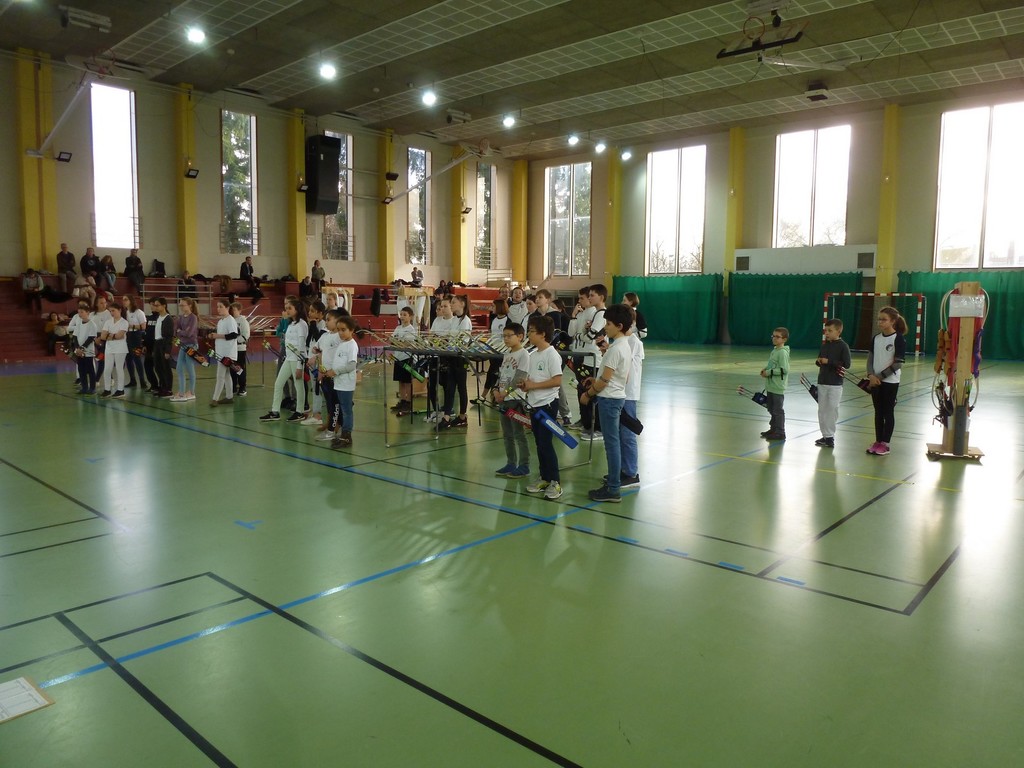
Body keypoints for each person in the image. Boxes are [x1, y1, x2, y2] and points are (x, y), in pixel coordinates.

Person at [580, 304, 632, 503]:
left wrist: (588, 394)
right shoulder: (623, 346)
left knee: (611, 444)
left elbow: (605, 381)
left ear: (619, 326)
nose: (605, 327)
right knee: (613, 442)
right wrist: (598, 380)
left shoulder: (615, 349)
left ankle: (613, 489)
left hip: (609, 399)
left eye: (608, 324)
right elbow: (620, 377)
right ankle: (612, 483)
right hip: (615, 396)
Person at [520, 315, 564, 500]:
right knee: (539, 443)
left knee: (546, 443)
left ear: (543, 334)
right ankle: (544, 478)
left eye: (531, 331)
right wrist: (526, 385)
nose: (528, 335)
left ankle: (555, 482)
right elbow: (532, 379)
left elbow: (557, 381)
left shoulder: (552, 354)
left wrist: (534, 386)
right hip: (534, 404)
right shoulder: (532, 354)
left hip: (548, 405)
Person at [865, 306, 907, 456]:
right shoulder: (876, 338)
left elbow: (898, 363)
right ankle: (878, 441)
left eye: (884, 319)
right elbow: (870, 359)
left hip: (890, 382)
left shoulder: (898, 338)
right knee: (878, 412)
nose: (880, 322)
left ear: (893, 321)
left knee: (888, 412)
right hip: (875, 382)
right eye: (879, 319)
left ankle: (885, 444)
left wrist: (879, 377)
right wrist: (870, 375)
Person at [259, 297, 308, 422]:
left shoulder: (302, 324)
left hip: (297, 360)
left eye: (290, 308)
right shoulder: (291, 324)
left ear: (297, 309)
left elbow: (302, 347)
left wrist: (299, 366)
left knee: (298, 385)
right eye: (286, 308)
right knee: (278, 383)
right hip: (288, 359)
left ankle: (300, 411)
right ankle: (275, 412)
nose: (287, 311)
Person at [493, 322, 531, 479]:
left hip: (515, 400)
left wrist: (505, 392)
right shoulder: (507, 354)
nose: (506, 339)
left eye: (509, 336)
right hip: (504, 399)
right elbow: (502, 375)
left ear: (520, 336)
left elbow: (519, 378)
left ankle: (524, 465)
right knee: (507, 434)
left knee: (518, 434)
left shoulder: (524, 354)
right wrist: (496, 390)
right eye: (504, 336)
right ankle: (510, 463)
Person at [814, 318, 852, 448]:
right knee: (822, 410)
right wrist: (819, 361)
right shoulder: (825, 345)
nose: (827, 333)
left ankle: (830, 436)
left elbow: (847, 364)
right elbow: (819, 360)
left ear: (838, 331)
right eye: (826, 330)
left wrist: (829, 362)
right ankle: (825, 435)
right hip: (822, 381)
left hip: (835, 384)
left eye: (830, 330)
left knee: (832, 409)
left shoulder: (843, 346)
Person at [619, 307, 644, 489]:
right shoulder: (622, 341)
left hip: (628, 394)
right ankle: (623, 469)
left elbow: (625, 369)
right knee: (620, 433)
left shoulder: (634, 342)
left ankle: (631, 473)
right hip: (619, 392)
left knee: (627, 434)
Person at [440, 295, 473, 428]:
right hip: (451, 357)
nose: (451, 305)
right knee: (450, 387)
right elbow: (450, 338)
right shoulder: (454, 320)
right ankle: (446, 417)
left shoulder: (466, 321)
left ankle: (462, 417)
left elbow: (462, 341)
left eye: (453, 302)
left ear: (462, 304)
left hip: (460, 358)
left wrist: (452, 345)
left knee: (461, 388)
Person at [328, 316, 360, 448]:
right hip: (339, 383)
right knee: (342, 408)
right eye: (338, 330)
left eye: (343, 330)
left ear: (351, 330)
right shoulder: (342, 343)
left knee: (347, 410)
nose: (340, 333)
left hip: (346, 384)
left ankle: (347, 436)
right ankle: (343, 434)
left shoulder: (352, 345)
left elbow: (351, 365)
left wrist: (336, 371)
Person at [316, 310, 343, 440]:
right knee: (329, 402)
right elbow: (319, 351)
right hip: (325, 375)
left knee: (336, 403)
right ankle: (332, 425)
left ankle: (333, 429)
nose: (326, 322)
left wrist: (334, 371)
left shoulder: (340, 337)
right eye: (325, 319)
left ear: (337, 321)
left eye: (328, 319)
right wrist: (320, 370)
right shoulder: (325, 336)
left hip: (335, 376)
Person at [760, 327, 790, 441]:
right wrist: (765, 369)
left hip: (777, 386)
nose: (774, 338)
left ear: (784, 339)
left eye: (777, 337)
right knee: (771, 409)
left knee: (777, 410)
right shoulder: (775, 351)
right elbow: (772, 365)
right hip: (771, 386)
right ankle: (773, 429)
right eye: (773, 336)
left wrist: (768, 373)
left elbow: (784, 369)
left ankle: (780, 432)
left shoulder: (782, 352)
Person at [390, 306, 420, 417]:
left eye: (405, 315)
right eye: (401, 314)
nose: (402, 317)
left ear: (410, 317)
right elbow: (392, 339)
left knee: (407, 381)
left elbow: (407, 344)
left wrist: (399, 342)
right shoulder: (398, 328)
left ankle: (408, 402)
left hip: (407, 358)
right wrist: (397, 342)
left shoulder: (411, 330)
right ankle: (402, 400)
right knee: (400, 381)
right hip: (398, 358)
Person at [208, 299, 239, 406]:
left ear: (227, 308)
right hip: (221, 352)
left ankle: (215, 399)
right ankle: (229, 396)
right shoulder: (221, 321)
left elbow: (234, 335)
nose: (218, 309)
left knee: (220, 375)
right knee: (226, 375)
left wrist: (218, 336)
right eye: (217, 307)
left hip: (227, 353)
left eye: (221, 306)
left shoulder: (230, 320)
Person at [171, 297, 199, 402]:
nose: (181, 307)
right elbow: (175, 331)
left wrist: (180, 331)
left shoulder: (193, 318)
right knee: (179, 368)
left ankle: (191, 392)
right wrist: (180, 331)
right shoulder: (181, 317)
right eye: (180, 305)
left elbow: (189, 333)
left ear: (190, 305)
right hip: (183, 345)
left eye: (183, 305)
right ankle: (182, 392)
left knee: (189, 367)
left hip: (191, 345)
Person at [99, 302, 129, 399]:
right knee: (107, 369)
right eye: (110, 311)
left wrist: (109, 335)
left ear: (119, 310)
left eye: (113, 311)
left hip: (120, 349)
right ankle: (107, 389)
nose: (112, 313)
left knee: (119, 368)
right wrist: (113, 336)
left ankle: (120, 390)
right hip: (109, 348)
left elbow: (120, 336)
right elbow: (102, 336)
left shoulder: (124, 322)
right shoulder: (108, 322)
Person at [69, 302, 98, 395]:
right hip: (79, 351)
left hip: (88, 351)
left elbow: (91, 338)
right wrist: (77, 348)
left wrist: (82, 348)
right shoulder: (78, 324)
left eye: (82, 312)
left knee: (90, 370)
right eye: (79, 312)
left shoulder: (92, 324)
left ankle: (92, 388)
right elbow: (75, 337)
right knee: (81, 370)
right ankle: (84, 387)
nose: (80, 314)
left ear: (87, 312)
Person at [482, 298, 509, 393]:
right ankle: (487, 394)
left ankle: (491, 394)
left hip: (502, 351)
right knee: (492, 372)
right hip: (493, 349)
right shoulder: (493, 319)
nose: (491, 308)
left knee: (497, 373)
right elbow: (490, 333)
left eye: (493, 306)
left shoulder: (507, 320)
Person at [150, 297, 174, 398]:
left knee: (166, 367)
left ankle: (168, 389)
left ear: (164, 306)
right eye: (155, 305)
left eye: (157, 305)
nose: (156, 307)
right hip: (157, 343)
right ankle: (162, 387)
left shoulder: (168, 319)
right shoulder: (159, 317)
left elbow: (169, 336)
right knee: (158, 366)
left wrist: (167, 350)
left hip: (164, 344)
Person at [123, 295, 148, 389]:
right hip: (128, 336)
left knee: (137, 358)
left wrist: (131, 326)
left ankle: (142, 381)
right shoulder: (126, 312)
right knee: (128, 359)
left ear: (131, 300)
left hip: (136, 336)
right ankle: (132, 380)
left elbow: (143, 326)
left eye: (126, 299)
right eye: (123, 300)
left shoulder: (139, 312)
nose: (124, 301)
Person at [229, 303, 250, 397]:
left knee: (240, 368)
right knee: (232, 368)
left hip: (240, 348)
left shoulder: (243, 321)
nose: (233, 312)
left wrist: (236, 340)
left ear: (239, 311)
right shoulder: (230, 320)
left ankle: (242, 387)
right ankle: (233, 387)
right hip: (231, 349)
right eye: (232, 310)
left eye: (234, 310)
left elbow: (246, 334)